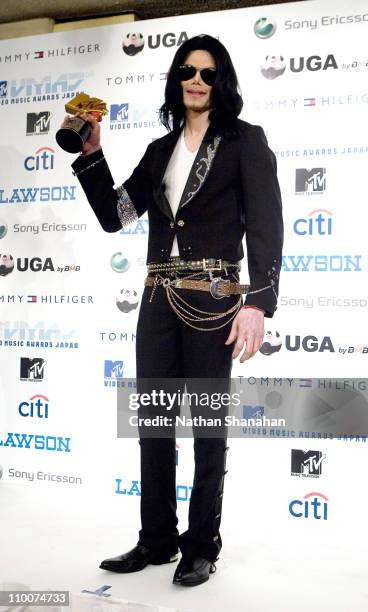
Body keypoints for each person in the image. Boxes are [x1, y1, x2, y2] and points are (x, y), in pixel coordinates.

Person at [63, 34, 283, 587]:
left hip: (214, 301)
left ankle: (201, 544)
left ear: (222, 81)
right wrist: (92, 156)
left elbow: (265, 227)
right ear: (176, 77)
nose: (196, 80)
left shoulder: (244, 142)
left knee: (207, 424)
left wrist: (257, 303)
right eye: (188, 70)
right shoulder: (160, 150)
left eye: (208, 73)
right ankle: (156, 538)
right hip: (158, 299)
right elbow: (118, 215)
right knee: (155, 423)